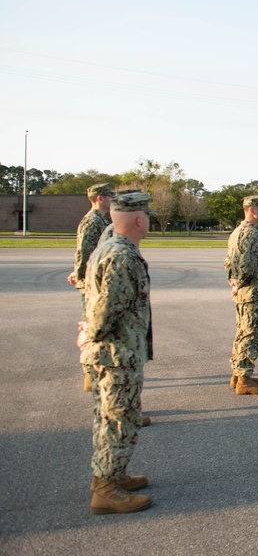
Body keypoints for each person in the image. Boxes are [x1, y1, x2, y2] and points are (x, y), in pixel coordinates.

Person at [77, 192, 156, 515]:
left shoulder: (109, 248)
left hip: (115, 351)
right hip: (116, 354)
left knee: (111, 416)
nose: (149, 220)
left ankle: (111, 476)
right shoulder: (122, 256)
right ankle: (107, 489)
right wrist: (89, 334)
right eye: (147, 215)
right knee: (118, 419)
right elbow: (106, 309)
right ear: (138, 219)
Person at [224, 196, 258, 395]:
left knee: (242, 332)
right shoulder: (251, 233)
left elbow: (229, 263)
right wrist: (241, 283)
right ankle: (244, 379)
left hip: (243, 292)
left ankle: (238, 374)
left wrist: (233, 282)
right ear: (252, 210)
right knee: (253, 334)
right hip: (252, 292)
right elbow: (247, 265)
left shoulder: (236, 232)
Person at [69, 183, 114, 391]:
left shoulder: (104, 220)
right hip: (92, 284)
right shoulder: (91, 221)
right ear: (100, 198)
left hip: (101, 281)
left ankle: (96, 370)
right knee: (92, 328)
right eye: (110, 195)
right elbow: (84, 253)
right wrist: (81, 278)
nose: (113, 198)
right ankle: (89, 373)